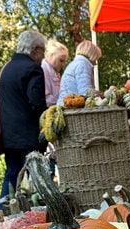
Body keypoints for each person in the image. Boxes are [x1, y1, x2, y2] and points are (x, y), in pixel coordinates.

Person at [0, 30, 48, 199]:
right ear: (35, 50)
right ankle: (47, 215)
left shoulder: (6, 69)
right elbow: (36, 104)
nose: (43, 56)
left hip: (8, 135)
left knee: (12, 174)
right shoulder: (33, 69)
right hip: (29, 135)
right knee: (38, 178)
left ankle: (3, 213)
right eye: (43, 51)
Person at [41, 39, 69, 179]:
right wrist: (62, 101)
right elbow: (46, 98)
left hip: (55, 118)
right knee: (49, 162)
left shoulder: (54, 72)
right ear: (51, 56)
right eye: (61, 60)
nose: (62, 65)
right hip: (48, 120)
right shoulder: (43, 70)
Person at [56, 40, 102, 106]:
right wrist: (100, 95)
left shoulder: (75, 63)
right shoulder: (82, 65)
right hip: (71, 107)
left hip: (64, 104)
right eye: (96, 58)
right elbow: (85, 92)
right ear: (91, 55)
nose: (95, 63)